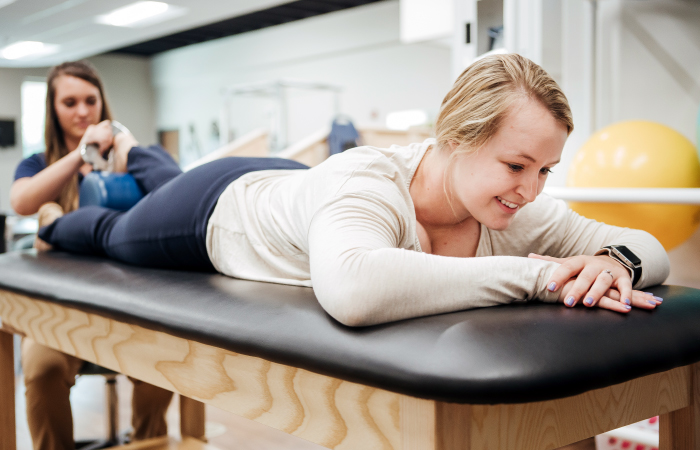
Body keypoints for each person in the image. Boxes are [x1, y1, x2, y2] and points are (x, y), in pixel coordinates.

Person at [37, 54, 669, 329]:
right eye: (516, 166)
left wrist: (611, 264)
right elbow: (355, 290)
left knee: (149, 186)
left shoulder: (517, 208)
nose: (531, 191)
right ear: (453, 138)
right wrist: (546, 277)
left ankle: (132, 158)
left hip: (297, 193)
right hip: (215, 208)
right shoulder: (369, 179)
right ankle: (50, 220)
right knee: (112, 231)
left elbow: (650, 249)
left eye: (546, 171)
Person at [10, 61, 174, 450]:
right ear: (53, 108)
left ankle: (148, 443)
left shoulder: (124, 159)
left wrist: (125, 148)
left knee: (169, 361)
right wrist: (79, 156)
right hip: (58, 308)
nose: (82, 111)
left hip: (124, 300)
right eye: (69, 102)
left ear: (102, 103)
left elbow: (170, 194)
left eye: (90, 101)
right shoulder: (38, 164)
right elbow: (21, 201)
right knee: (41, 369)